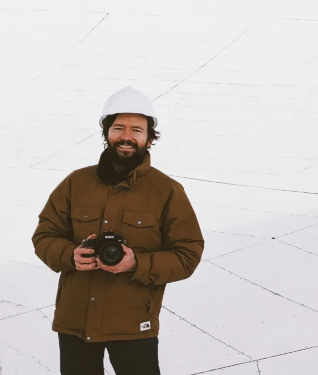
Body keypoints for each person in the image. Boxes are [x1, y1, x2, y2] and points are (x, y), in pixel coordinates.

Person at [32, 86, 205, 375]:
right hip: (76, 321)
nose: (127, 137)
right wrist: (69, 255)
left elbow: (188, 253)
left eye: (137, 130)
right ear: (106, 133)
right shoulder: (76, 183)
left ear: (149, 137)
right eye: (118, 128)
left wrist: (137, 263)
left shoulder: (167, 191)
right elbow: (44, 235)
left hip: (134, 324)